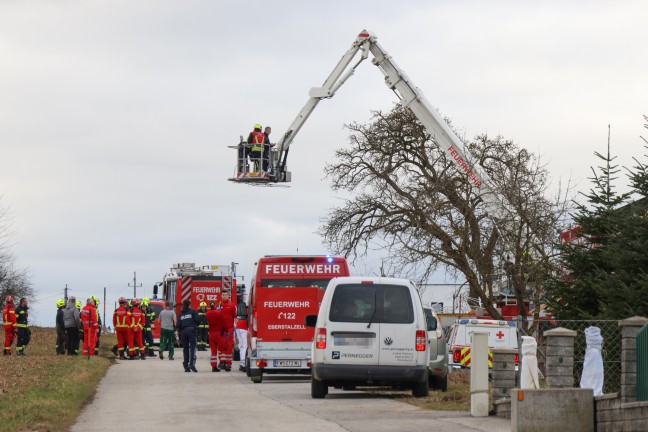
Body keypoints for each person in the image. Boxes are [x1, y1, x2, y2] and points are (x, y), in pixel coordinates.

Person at [176, 298, 199, 372]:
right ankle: (192, 364)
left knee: (185, 349)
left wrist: (179, 332)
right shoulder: (193, 312)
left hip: (183, 332)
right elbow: (197, 320)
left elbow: (177, 325)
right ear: (189, 304)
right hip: (191, 330)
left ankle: (186, 366)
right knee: (192, 348)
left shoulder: (181, 314)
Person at [218, 291, 237, 371]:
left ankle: (228, 363)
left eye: (225, 295)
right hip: (221, 328)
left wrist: (234, 327)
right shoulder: (219, 305)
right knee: (221, 345)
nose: (224, 296)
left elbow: (235, 317)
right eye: (223, 295)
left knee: (229, 345)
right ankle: (222, 361)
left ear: (229, 296)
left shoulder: (232, 305)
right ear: (221, 296)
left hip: (229, 328)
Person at [206, 302, 222, 372]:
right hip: (218, 333)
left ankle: (213, 366)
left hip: (211, 333)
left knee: (213, 351)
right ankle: (222, 363)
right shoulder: (219, 313)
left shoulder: (207, 314)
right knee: (221, 349)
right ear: (215, 305)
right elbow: (222, 321)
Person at [235, 306, 249, 372]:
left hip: (238, 326)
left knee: (241, 346)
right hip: (244, 327)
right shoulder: (248, 309)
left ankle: (241, 364)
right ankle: (243, 364)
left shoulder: (243, 308)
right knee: (244, 346)